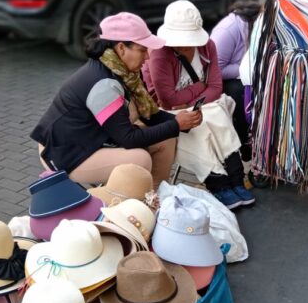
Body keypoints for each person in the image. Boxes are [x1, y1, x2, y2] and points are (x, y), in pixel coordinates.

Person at [31, 13, 202, 188]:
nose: (147, 57)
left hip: (89, 138)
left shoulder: (124, 72)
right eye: (142, 50)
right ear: (121, 48)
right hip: (63, 152)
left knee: (166, 137)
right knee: (139, 160)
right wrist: (176, 124)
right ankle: (128, 205)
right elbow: (128, 138)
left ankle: (155, 195)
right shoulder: (104, 84)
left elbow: (150, 116)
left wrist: (182, 121)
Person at [143, 0, 255, 210]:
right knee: (200, 128)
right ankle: (219, 184)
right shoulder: (159, 53)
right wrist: (199, 88)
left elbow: (215, 86)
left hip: (204, 103)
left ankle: (236, 179)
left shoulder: (207, 45)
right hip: (168, 110)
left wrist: (192, 99)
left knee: (217, 118)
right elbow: (167, 99)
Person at [210, 1, 262, 162]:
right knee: (241, 93)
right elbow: (215, 70)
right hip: (221, 80)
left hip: (242, 75)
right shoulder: (228, 30)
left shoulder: (254, 27)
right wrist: (248, 69)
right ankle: (246, 144)